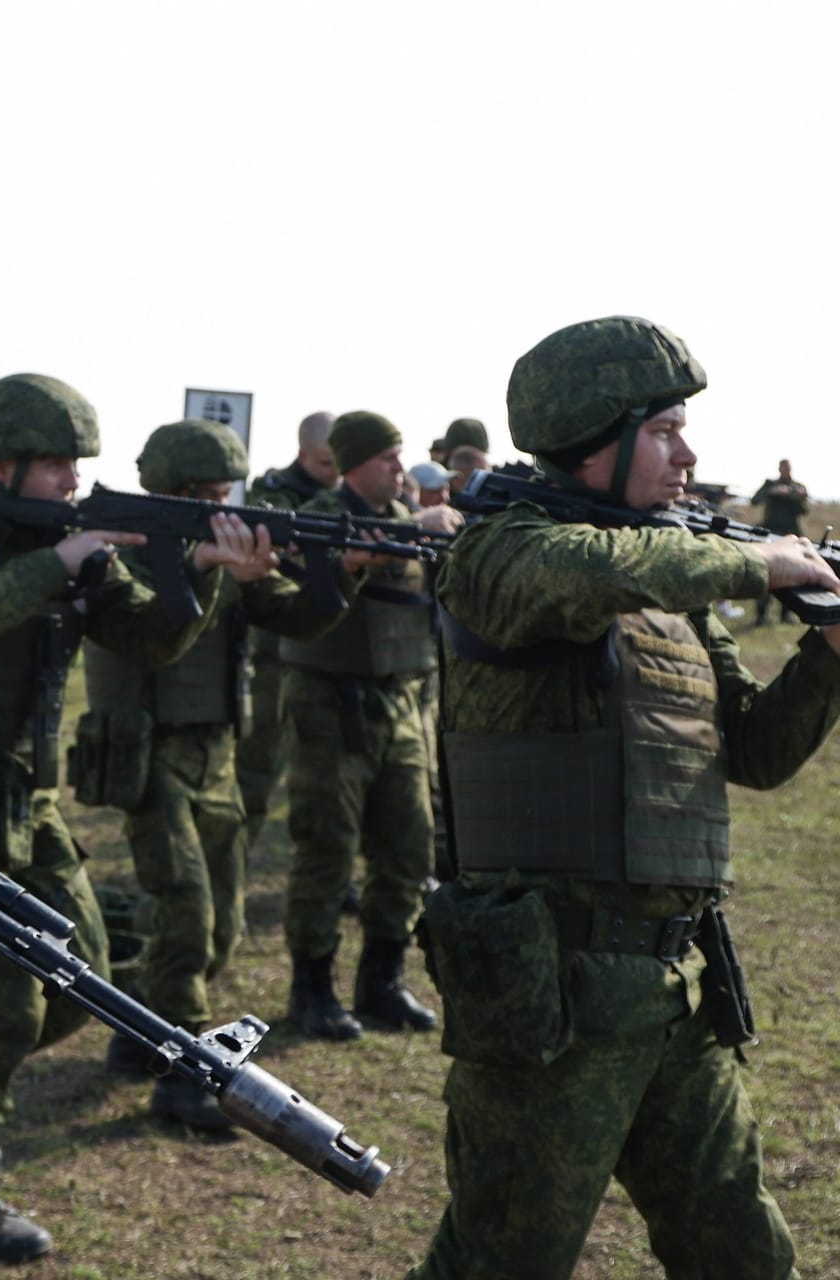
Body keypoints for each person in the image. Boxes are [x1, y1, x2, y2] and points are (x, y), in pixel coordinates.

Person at [408, 316, 840, 1280]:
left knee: (741, 1248)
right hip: (550, 990)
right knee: (500, 1260)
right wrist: (766, 560)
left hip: (674, 986)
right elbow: (592, 572)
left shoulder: (675, 571)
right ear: (593, 441)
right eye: (665, 430)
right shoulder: (501, 552)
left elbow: (758, 752)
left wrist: (826, 656)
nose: (688, 455)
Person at [0, 373, 264, 1262]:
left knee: (85, 982)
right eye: (54, 464)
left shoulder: (75, 542)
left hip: (24, 799)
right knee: (10, 1007)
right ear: (1, 463)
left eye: (77, 463)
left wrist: (196, 575)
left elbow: (150, 639)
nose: (70, 480)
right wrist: (62, 560)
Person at [84, 420, 347, 1133]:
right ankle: (185, 1076)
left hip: (217, 754)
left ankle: (139, 1023)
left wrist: (323, 563)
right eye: (205, 494)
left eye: (226, 491)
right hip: (151, 751)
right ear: (171, 492)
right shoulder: (124, 551)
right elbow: (151, 628)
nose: (222, 505)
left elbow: (300, 616)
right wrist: (202, 565)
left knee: (223, 926)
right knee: (188, 912)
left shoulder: (223, 550)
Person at [279, 412, 462, 1042]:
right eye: (387, 457)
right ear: (354, 462)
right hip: (331, 707)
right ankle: (312, 990)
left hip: (404, 703)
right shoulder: (322, 515)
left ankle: (381, 981)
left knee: (409, 849)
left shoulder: (410, 514)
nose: (398, 467)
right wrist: (413, 526)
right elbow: (322, 565)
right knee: (326, 851)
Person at [235, 411, 339, 852]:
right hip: (278, 655)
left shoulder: (348, 498)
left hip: (329, 657)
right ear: (302, 455)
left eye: (340, 464)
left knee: (328, 779)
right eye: (324, 465)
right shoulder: (274, 495)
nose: (333, 475)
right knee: (257, 769)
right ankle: (234, 866)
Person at [750, 459, 811, 624]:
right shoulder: (770, 484)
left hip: (791, 534)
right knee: (767, 571)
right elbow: (754, 500)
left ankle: (786, 613)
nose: (785, 471)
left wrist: (791, 495)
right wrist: (773, 492)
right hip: (770, 533)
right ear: (779, 469)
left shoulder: (798, 487)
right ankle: (762, 615)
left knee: (791, 573)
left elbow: (805, 510)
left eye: (787, 468)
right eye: (783, 468)